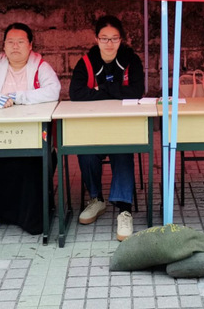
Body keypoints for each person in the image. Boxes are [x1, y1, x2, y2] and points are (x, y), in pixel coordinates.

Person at [0, 23, 61, 234]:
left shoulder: (40, 66)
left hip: (33, 134)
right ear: (4, 46)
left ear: (30, 45)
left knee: (30, 162)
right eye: (10, 42)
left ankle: (29, 218)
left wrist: (20, 97)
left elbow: (53, 91)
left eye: (20, 42)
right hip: (1, 132)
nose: (15, 46)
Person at [69, 15, 144, 241]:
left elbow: (136, 91)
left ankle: (124, 209)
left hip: (123, 125)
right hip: (94, 126)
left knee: (123, 149)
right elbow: (76, 93)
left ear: (121, 39)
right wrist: (115, 89)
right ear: (96, 39)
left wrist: (101, 88)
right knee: (85, 149)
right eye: (104, 38)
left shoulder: (131, 60)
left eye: (114, 38)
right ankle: (96, 199)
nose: (109, 43)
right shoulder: (86, 62)